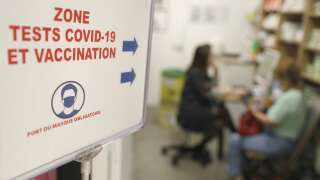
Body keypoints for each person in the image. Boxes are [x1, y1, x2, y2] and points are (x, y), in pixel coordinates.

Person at [227, 59, 307, 180]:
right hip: (282, 139)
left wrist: (253, 110)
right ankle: (244, 170)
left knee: (235, 140)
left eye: (279, 79)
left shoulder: (289, 98)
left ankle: (236, 176)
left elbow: (269, 120)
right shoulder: (297, 94)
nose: (279, 82)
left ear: (286, 79)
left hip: (279, 142)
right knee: (240, 137)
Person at [177, 44, 237, 152]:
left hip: (197, 107)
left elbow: (212, 84)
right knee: (221, 118)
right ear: (204, 58)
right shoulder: (195, 73)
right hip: (191, 113)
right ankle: (235, 136)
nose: (213, 58)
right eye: (211, 56)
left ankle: (235, 136)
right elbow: (205, 96)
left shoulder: (200, 71)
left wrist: (216, 70)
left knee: (223, 114)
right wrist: (223, 96)